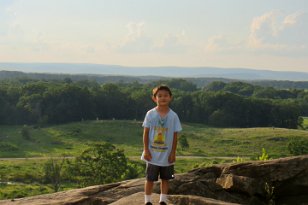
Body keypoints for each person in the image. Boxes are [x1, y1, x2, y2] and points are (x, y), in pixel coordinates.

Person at [141, 85, 182, 205]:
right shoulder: (150, 114)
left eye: (165, 96)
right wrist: (146, 150)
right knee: (149, 179)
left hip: (167, 155)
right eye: (159, 96)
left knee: (166, 178)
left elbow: (175, 136)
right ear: (154, 98)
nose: (163, 98)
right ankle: (147, 201)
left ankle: (163, 200)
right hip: (152, 154)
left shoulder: (173, 116)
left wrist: (173, 153)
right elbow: (146, 133)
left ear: (170, 98)